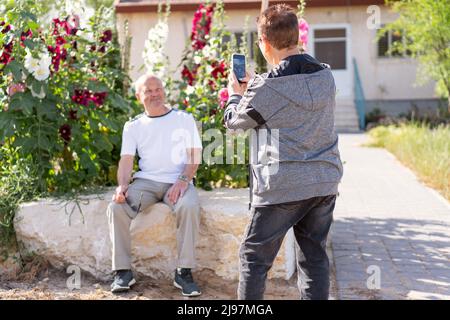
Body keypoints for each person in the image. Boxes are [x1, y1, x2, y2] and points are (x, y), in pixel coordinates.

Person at [224, 4, 343, 300]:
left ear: (264, 42)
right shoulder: (325, 77)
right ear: (296, 36)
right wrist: (254, 89)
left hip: (282, 186)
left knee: (254, 258)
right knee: (314, 258)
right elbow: (291, 96)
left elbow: (235, 123)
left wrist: (235, 96)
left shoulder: (266, 88)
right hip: (323, 182)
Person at [107, 74, 203, 296]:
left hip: (178, 181)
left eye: (158, 89)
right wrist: (122, 186)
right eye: (148, 91)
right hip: (146, 183)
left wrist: (182, 180)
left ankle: (184, 271)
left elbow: (194, 157)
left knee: (189, 206)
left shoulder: (184, 119)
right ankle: (123, 272)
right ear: (139, 96)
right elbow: (126, 161)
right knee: (117, 208)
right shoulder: (133, 126)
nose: (154, 94)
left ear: (164, 91)